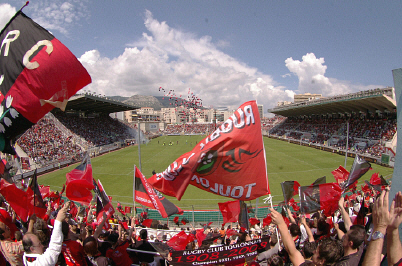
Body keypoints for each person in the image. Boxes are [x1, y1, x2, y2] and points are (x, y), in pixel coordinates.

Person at [22, 201, 70, 266]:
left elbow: (28, 236)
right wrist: (58, 220)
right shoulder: (40, 263)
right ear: (32, 249)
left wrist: (31, 223)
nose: (42, 246)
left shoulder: (26, 255)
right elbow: (54, 249)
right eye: (39, 244)